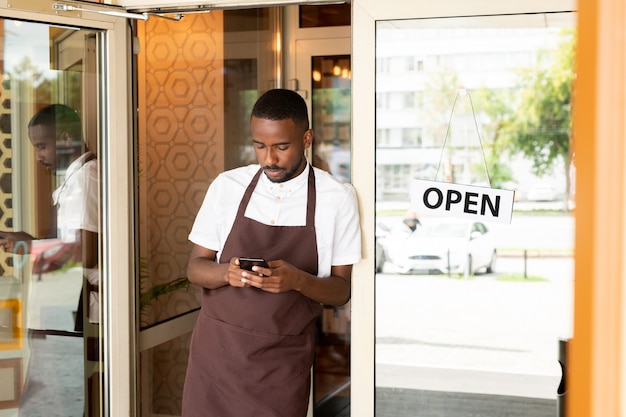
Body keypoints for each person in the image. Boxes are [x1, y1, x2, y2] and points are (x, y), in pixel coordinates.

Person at [182, 88, 362, 417]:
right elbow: (195, 268)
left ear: (307, 139)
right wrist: (227, 273)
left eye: (281, 147)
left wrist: (297, 281)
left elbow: (340, 291)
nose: (269, 159)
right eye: (260, 146)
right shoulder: (227, 186)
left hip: (281, 363)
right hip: (216, 358)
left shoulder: (337, 198)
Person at [0, 104, 99, 415]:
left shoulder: (87, 178)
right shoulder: (75, 179)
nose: (39, 156)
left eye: (42, 146)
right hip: (65, 306)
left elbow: (87, 251)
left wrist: (31, 245)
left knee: (60, 399)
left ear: (66, 137)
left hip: (77, 309)